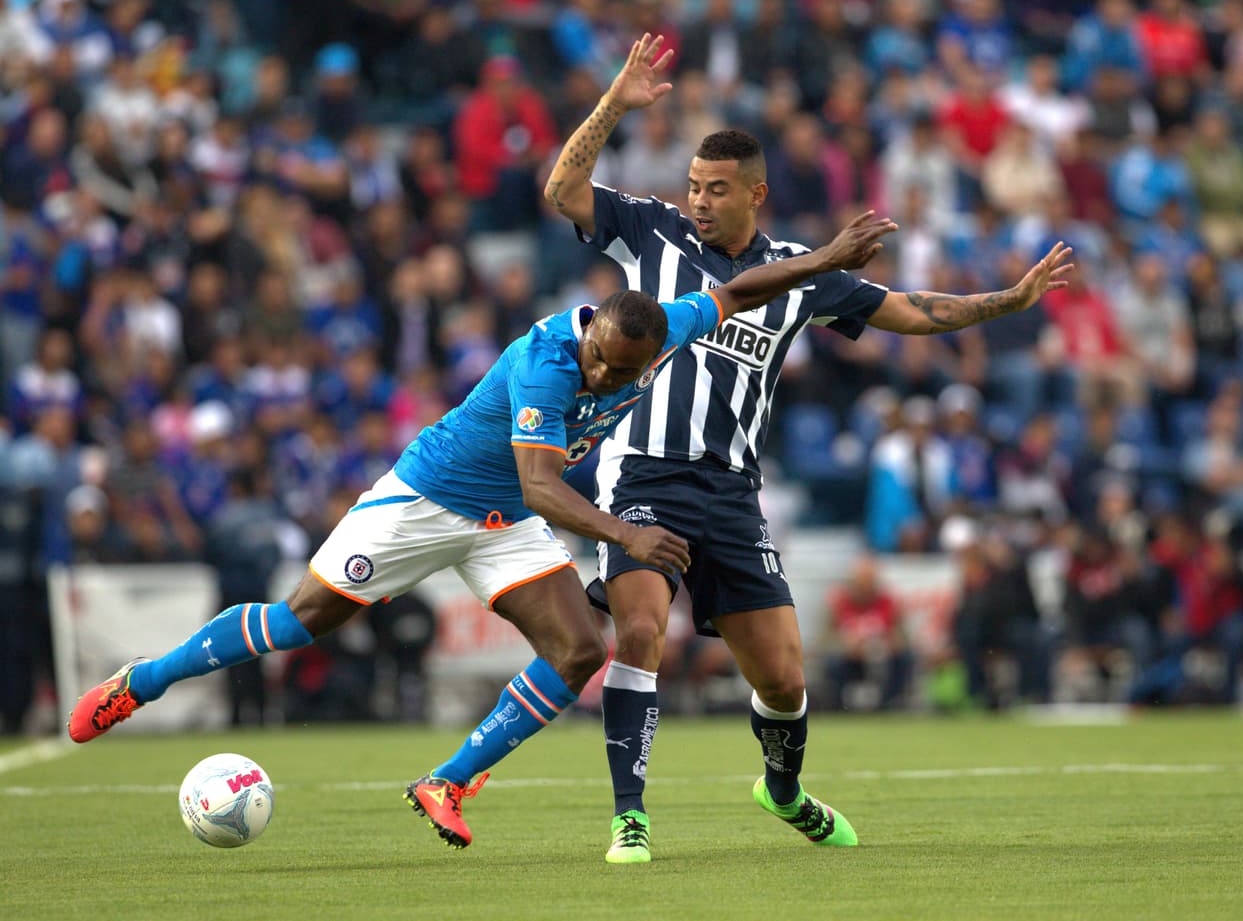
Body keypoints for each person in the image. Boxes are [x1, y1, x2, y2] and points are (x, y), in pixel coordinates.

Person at [66, 208, 900, 852]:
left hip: (503, 523)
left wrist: (823, 259)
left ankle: (447, 781)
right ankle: (142, 680)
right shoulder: (546, 362)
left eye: (625, 370)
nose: (608, 375)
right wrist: (627, 535)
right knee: (300, 622)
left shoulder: (658, 330)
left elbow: (734, 293)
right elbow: (543, 483)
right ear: (593, 328)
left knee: (579, 652)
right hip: (428, 500)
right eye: (604, 359)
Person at [544, 33, 1074, 864]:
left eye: (716, 190)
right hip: (642, 471)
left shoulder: (800, 270)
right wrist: (616, 101)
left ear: (755, 192)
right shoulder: (650, 233)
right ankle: (629, 815)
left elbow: (906, 308)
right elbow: (562, 186)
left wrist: (1007, 300)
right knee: (641, 630)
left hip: (732, 493)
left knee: (785, 681)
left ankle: (782, 789)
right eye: (692, 186)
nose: (699, 201)